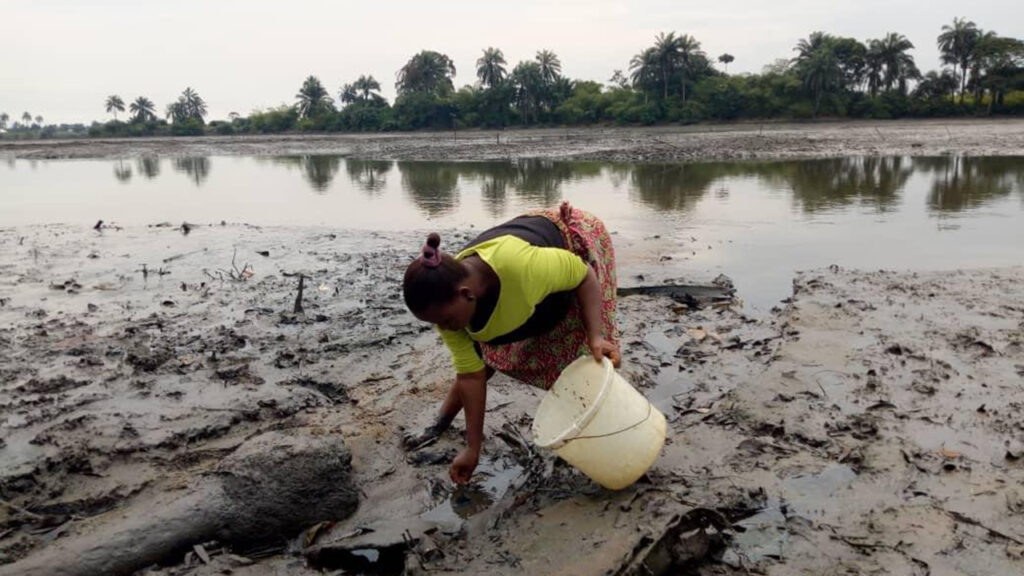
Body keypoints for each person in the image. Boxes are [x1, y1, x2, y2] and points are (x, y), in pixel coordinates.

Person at [401, 202, 620, 484]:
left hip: (572, 254)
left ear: (467, 294)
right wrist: (472, 448)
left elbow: (583, 276)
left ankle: (606, 433)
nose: (443, 329)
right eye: (435, 323)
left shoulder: (523, 267)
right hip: (515, 293)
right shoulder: (448, 305)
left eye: (444, 321)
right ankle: (439, 423)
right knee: (486, 355)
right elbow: (470, 374)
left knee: (591, 360)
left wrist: (596, 337)